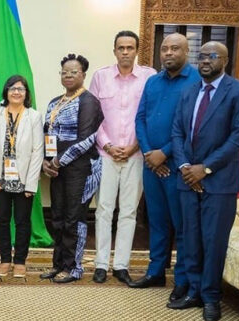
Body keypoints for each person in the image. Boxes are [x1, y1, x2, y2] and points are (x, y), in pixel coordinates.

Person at [170, 41, 239, 321]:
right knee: (190, 239)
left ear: (225, 60)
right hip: (186, 179)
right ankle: (193, 291)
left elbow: (238, 137)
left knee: (213, 241)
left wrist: (204, 169)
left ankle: (210, 297)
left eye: (212, 56)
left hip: (219, 182)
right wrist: (184, 166)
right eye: (202, 56)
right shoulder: (188, 91)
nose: (205, 60)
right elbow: (178, 132)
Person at [131, 33, 201, 303]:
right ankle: (156, 271)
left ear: (186, 51)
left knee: (181, 225)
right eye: (164, 49)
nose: (168, 53)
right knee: (157, 222)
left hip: (179, 166)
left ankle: (182, 281)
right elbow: (140, 119)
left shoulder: (196, 81)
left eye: (175, 48)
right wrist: (150, 153)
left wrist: (165, 154)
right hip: (151, 164)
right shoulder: (152, 82)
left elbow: (193, 126)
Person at [90, 30, 156, 285]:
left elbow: (151, 115)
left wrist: (133, 147)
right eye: (121, 47)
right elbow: (93, 117)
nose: (126, 51)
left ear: (137, 50)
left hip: (136, 154)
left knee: (129, 211)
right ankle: (100, 264)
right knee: (104, 210)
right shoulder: (101, 76)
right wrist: (107, 146)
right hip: (105, 155)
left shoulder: (149, 77)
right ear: (114, 50)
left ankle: (121, 265)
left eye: (130, 47)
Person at [39, 54, 104, 283]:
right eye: (64, 72)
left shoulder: (89, 101)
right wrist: (47, 161)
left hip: (81, 169)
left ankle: (74, 268)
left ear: (83, 75)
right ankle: (58, 265)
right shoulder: (55, 102)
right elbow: (48, 134)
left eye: (73, 72)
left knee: (73, 219)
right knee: (57, 217)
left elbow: (86, 139)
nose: (68, 76)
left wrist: (57, 161)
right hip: (58, 170)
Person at [0, 75, 43, 278]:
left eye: (21, 89)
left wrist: (31, 183)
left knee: (22, 221)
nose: (16, 92)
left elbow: (38, 150)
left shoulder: (33, 116)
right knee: (1, 220)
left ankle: (19, 261)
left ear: (26, 93)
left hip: (23, 178)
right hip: (0, 178)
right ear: (6, 91)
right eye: (12, 88)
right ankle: (4, 260)